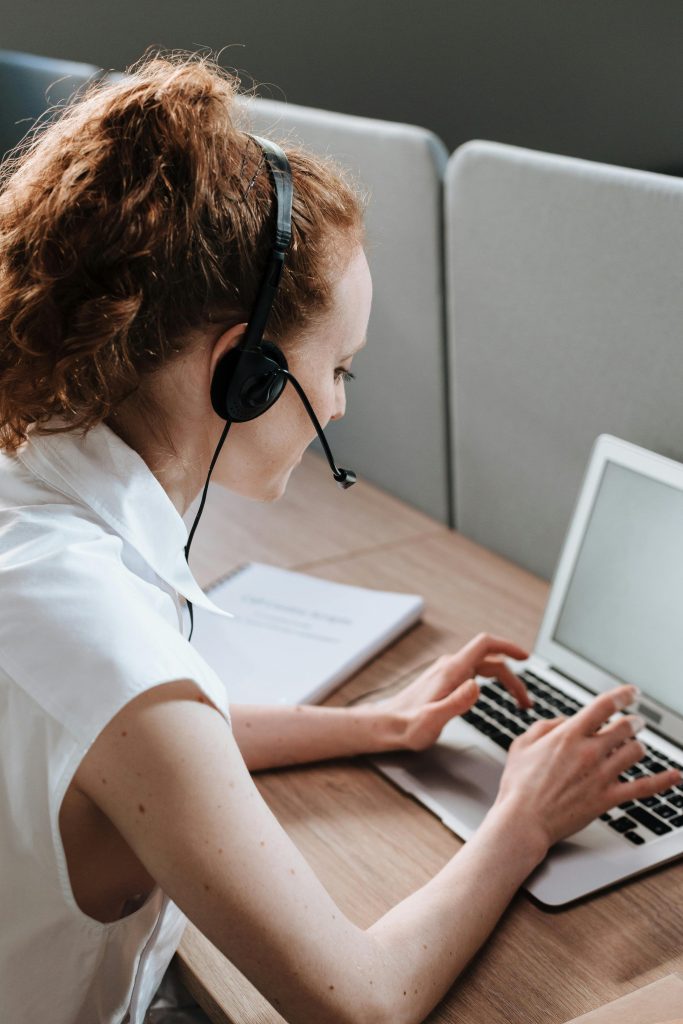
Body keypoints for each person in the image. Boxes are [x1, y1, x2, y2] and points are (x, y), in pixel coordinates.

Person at [0, 52, 679, 1024]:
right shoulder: (107, 644)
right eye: (342, 367)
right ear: (246, 376)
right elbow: (361, 1004)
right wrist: (519, 819)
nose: (340, 403)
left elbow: (123, 753)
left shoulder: (32, 490)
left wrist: (376, 726)